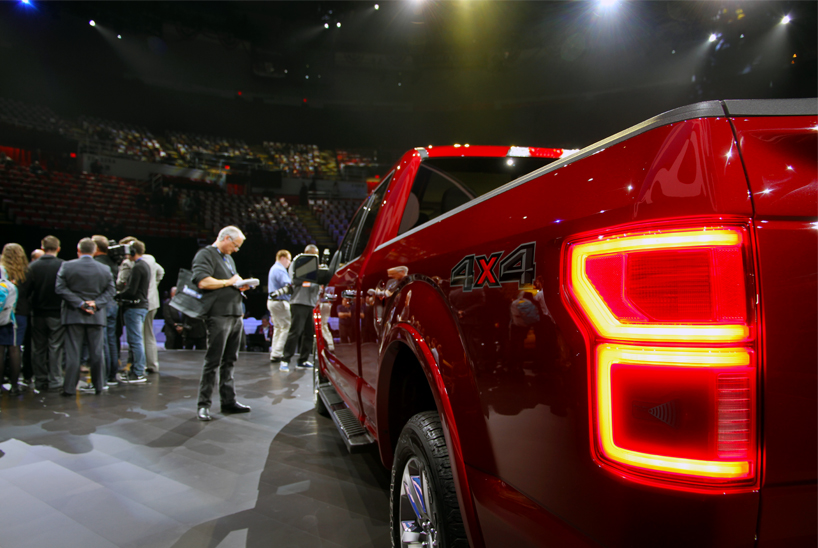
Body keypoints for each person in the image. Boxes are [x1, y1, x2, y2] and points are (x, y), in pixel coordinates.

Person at [191, 226, 252, 421]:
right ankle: (203, 404)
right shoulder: (205, 255)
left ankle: (228, 400)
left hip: (234, 314)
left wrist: (239, 285)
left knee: (230, 360)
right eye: (235, 245)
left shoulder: (228, 258)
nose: (236, 250)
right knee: (213, 361)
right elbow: (202, 282)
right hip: (218, 315)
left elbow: (230, 281)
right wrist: (229, 282)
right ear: (226, 238)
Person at [54, 238, 115, 395]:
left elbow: (60, 288)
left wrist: (81, 304)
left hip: (73, 314)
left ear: (78, 250)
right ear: (94, 251)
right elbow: (111, 291)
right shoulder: (104, 268)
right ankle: (99, 386)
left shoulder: (67, 266)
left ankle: (69, 388)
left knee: (73, 353)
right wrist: (95, 303)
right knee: (97, 353)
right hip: (96, 315)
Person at [117, 237, 164, 373]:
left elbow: (120, 282)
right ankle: (152, 365)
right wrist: (153, 287)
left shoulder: (129, 263)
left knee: (136, 336)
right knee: (149, 335)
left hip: (137, 302)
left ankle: (138, 366)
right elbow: (161, 272)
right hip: (152, 301)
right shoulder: (150, 259)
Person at [26, 236, 65, 392]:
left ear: (42, 248)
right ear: (58, 248)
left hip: (37, 312)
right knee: (56, 347)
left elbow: (27, 291)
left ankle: (40, 379)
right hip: (57, 312)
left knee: (38, 348)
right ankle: (56, 380)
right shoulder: (63, 265)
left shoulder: (32, 266)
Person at [280, 244, 321, 369]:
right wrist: (308, 276)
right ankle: (285, 359)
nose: (315, 258)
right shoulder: (297, 262)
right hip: (299, 302)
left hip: (311, 303)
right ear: (307, 253)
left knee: (309, 333)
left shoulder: (316, 266)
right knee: (295, 331)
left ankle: (303, 360)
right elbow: (294, 281)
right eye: (313, 255)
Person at [117, 241, 151, 384]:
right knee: (136, 340)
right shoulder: (145, 265)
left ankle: (138, 372)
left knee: (135, 341)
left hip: (135, 307)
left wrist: (117, 295)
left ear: (132, 251)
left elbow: (131, 291)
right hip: (140, 306)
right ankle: (136, 371)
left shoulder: (138, 267)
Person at [0, 243, 30, 395]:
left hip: (2, 312)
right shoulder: (26, 272)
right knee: (15, 348)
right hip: (19, 314)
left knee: (0, 349)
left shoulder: (2, 270)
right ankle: (15, 386)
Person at [92, 235, 120, 385]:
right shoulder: (113, 262)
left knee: (102, 342)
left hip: (101, 303)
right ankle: (112, 375)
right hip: (112, 302)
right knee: (111, 340)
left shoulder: (97, 264)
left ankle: (103, 376)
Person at [266, 249, 292, 369]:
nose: (289, 263)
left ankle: (274, 352)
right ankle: (278, 353)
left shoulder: (273, 268)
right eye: (288, 260)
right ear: (283, 258)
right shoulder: (280, 269)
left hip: (272, 302)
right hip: (279, 301)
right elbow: (288, 286)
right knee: (286, 326)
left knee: (278, 327)